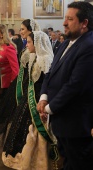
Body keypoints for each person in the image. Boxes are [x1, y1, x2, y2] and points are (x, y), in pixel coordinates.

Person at [0, 19, 56, 169]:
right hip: (28, 95)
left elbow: (47, 83)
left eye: (30, 42)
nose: (26, 44)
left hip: (38, 99)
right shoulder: (31, 54)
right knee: (22, 129)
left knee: (35, 133)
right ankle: (21, 159)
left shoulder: (45, 60)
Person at [37, 2, 93, 170]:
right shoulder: (65, 44)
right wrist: (43, 97)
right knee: (67, 159)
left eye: (70, 19)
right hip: (63, 120)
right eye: (65, 18)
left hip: (76, 123)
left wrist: (48, 109)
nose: (64, 23)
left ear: (84, 23)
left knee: (77, 163)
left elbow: (75, 85)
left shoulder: (89, 46)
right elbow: (50, 73)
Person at [0, 24, 19, 98]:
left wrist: (13, 85)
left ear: (2, 34)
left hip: (8, 83)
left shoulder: (9, 47)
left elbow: (15, 68)